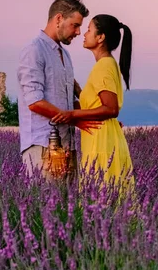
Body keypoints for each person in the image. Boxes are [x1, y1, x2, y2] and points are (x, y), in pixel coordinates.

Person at [17, 0, 102, 180]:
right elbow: (35, 102)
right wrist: (74, 120)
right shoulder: (34, 50)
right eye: (75, 25)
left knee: (67, 208)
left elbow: (71, 102)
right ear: (58, 19)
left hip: (67, 145)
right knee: (43, 207)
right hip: (43, 148)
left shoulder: (65, 55)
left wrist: (101, 118)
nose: (79, 32)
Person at [52, 14, 134, 193]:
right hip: (101, 137)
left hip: (101, 141)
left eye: (89, 30)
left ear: (100, 37)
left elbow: (110, 108)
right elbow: (97, 104)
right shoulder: (107, 64)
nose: (84, 34)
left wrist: (72, 115)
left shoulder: (103, 66)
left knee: (100, 199)